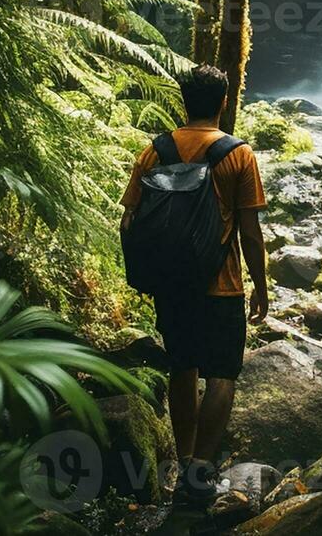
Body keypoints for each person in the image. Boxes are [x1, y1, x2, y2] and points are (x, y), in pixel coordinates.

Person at [120, 65, 269, 511]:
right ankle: (200, 472)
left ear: (182, 101)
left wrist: (145, 272)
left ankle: (183, 461)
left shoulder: (156, 150)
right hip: (220, 287)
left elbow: (129, 218)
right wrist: (260, 285)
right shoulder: (238, 154)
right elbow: (250, 231)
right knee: (222, 374)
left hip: (172, 285)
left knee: (182, 367)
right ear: (224, 101)